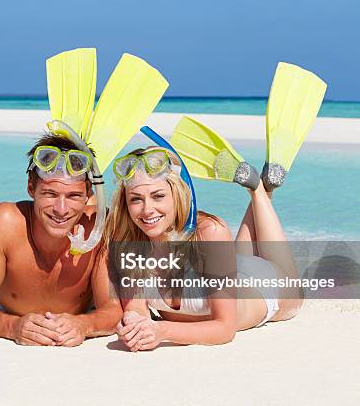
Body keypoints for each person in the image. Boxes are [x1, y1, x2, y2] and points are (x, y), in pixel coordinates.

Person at [105, 146, 303, 351]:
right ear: (125, 203)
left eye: (158, 196)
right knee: (234, 258)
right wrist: (131, 324)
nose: (147, 210)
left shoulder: (210, 232)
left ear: (177, 193)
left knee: (288, 280)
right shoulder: (126, 243)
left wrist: (162, 331)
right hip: (226, 268)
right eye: (136, 199)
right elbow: (137, 313)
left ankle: (260, 191)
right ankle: (259, 188)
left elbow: (225, 329)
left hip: (265, 288)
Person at [0, 132, 122, 346]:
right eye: (50, 194)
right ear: (31, 188)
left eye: (73, 196)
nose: (61, 210)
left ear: (88, 193)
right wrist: (12, 327)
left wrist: (83, 324)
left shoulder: (99, 227)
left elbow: (113, 309)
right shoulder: (4, 223)